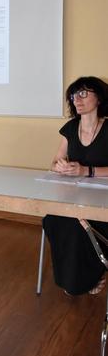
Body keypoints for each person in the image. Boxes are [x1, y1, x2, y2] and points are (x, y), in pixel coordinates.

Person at [43, 76, 108, 296]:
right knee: (54, 219)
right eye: (74, 95)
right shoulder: (71, 128)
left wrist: (86, 171)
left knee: (84, 225)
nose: (77, 99)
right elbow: (53, 162)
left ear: (98, 98)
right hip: (75, 194)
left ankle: (95, 272)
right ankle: (72, 280)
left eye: (83, 93)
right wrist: (60, 167)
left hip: (103, 198)